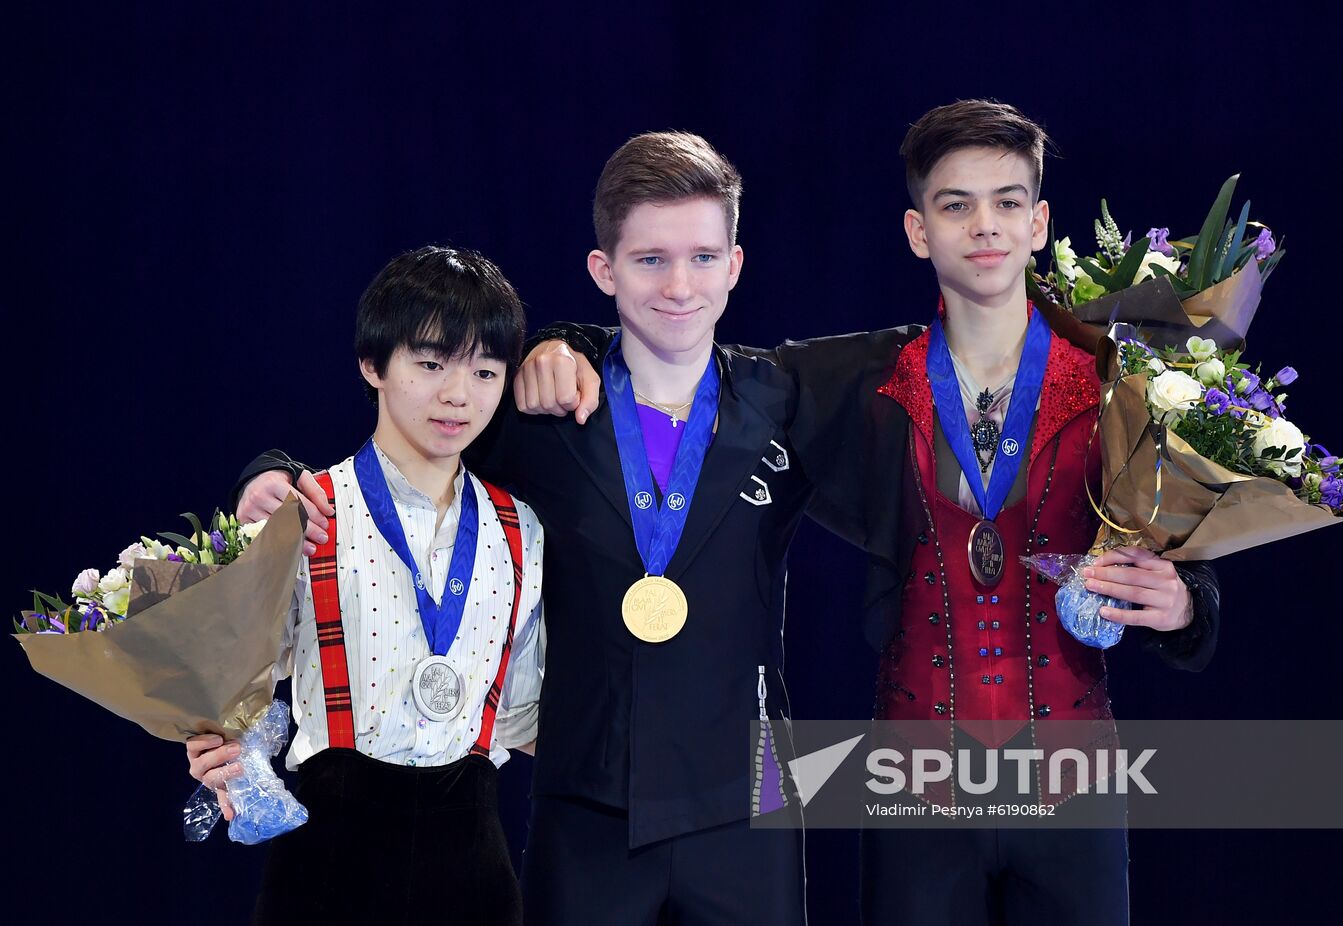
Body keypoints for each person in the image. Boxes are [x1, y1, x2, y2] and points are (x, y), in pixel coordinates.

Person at [519, 101, 1220, 925]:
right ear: (919, 230)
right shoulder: (851, 380)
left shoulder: (1117, 381)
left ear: (1039, 223)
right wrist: (557, 342)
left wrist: (1185, 608)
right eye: (956, 204)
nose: (983, 227)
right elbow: (685, 351)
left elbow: (1181, 548)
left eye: (1005, 203)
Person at [234, 133, 814, 925]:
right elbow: (400, 442)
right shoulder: (539, 413)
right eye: (650, 260)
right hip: (587, 799)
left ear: (736, 264)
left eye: (704, 257)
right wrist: (265, 472)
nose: (680, 284)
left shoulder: (792, 399)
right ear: (604, 270)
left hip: (755, 784)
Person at [188, 246, 545, 925]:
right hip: (329, 861)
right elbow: (234, 691)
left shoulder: (522, 531)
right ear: (373, 364)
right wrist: (213, 738)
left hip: (471, 860)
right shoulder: (304, 511)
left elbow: (529, 714)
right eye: (432, 362)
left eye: (485, 369)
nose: (458, 394)